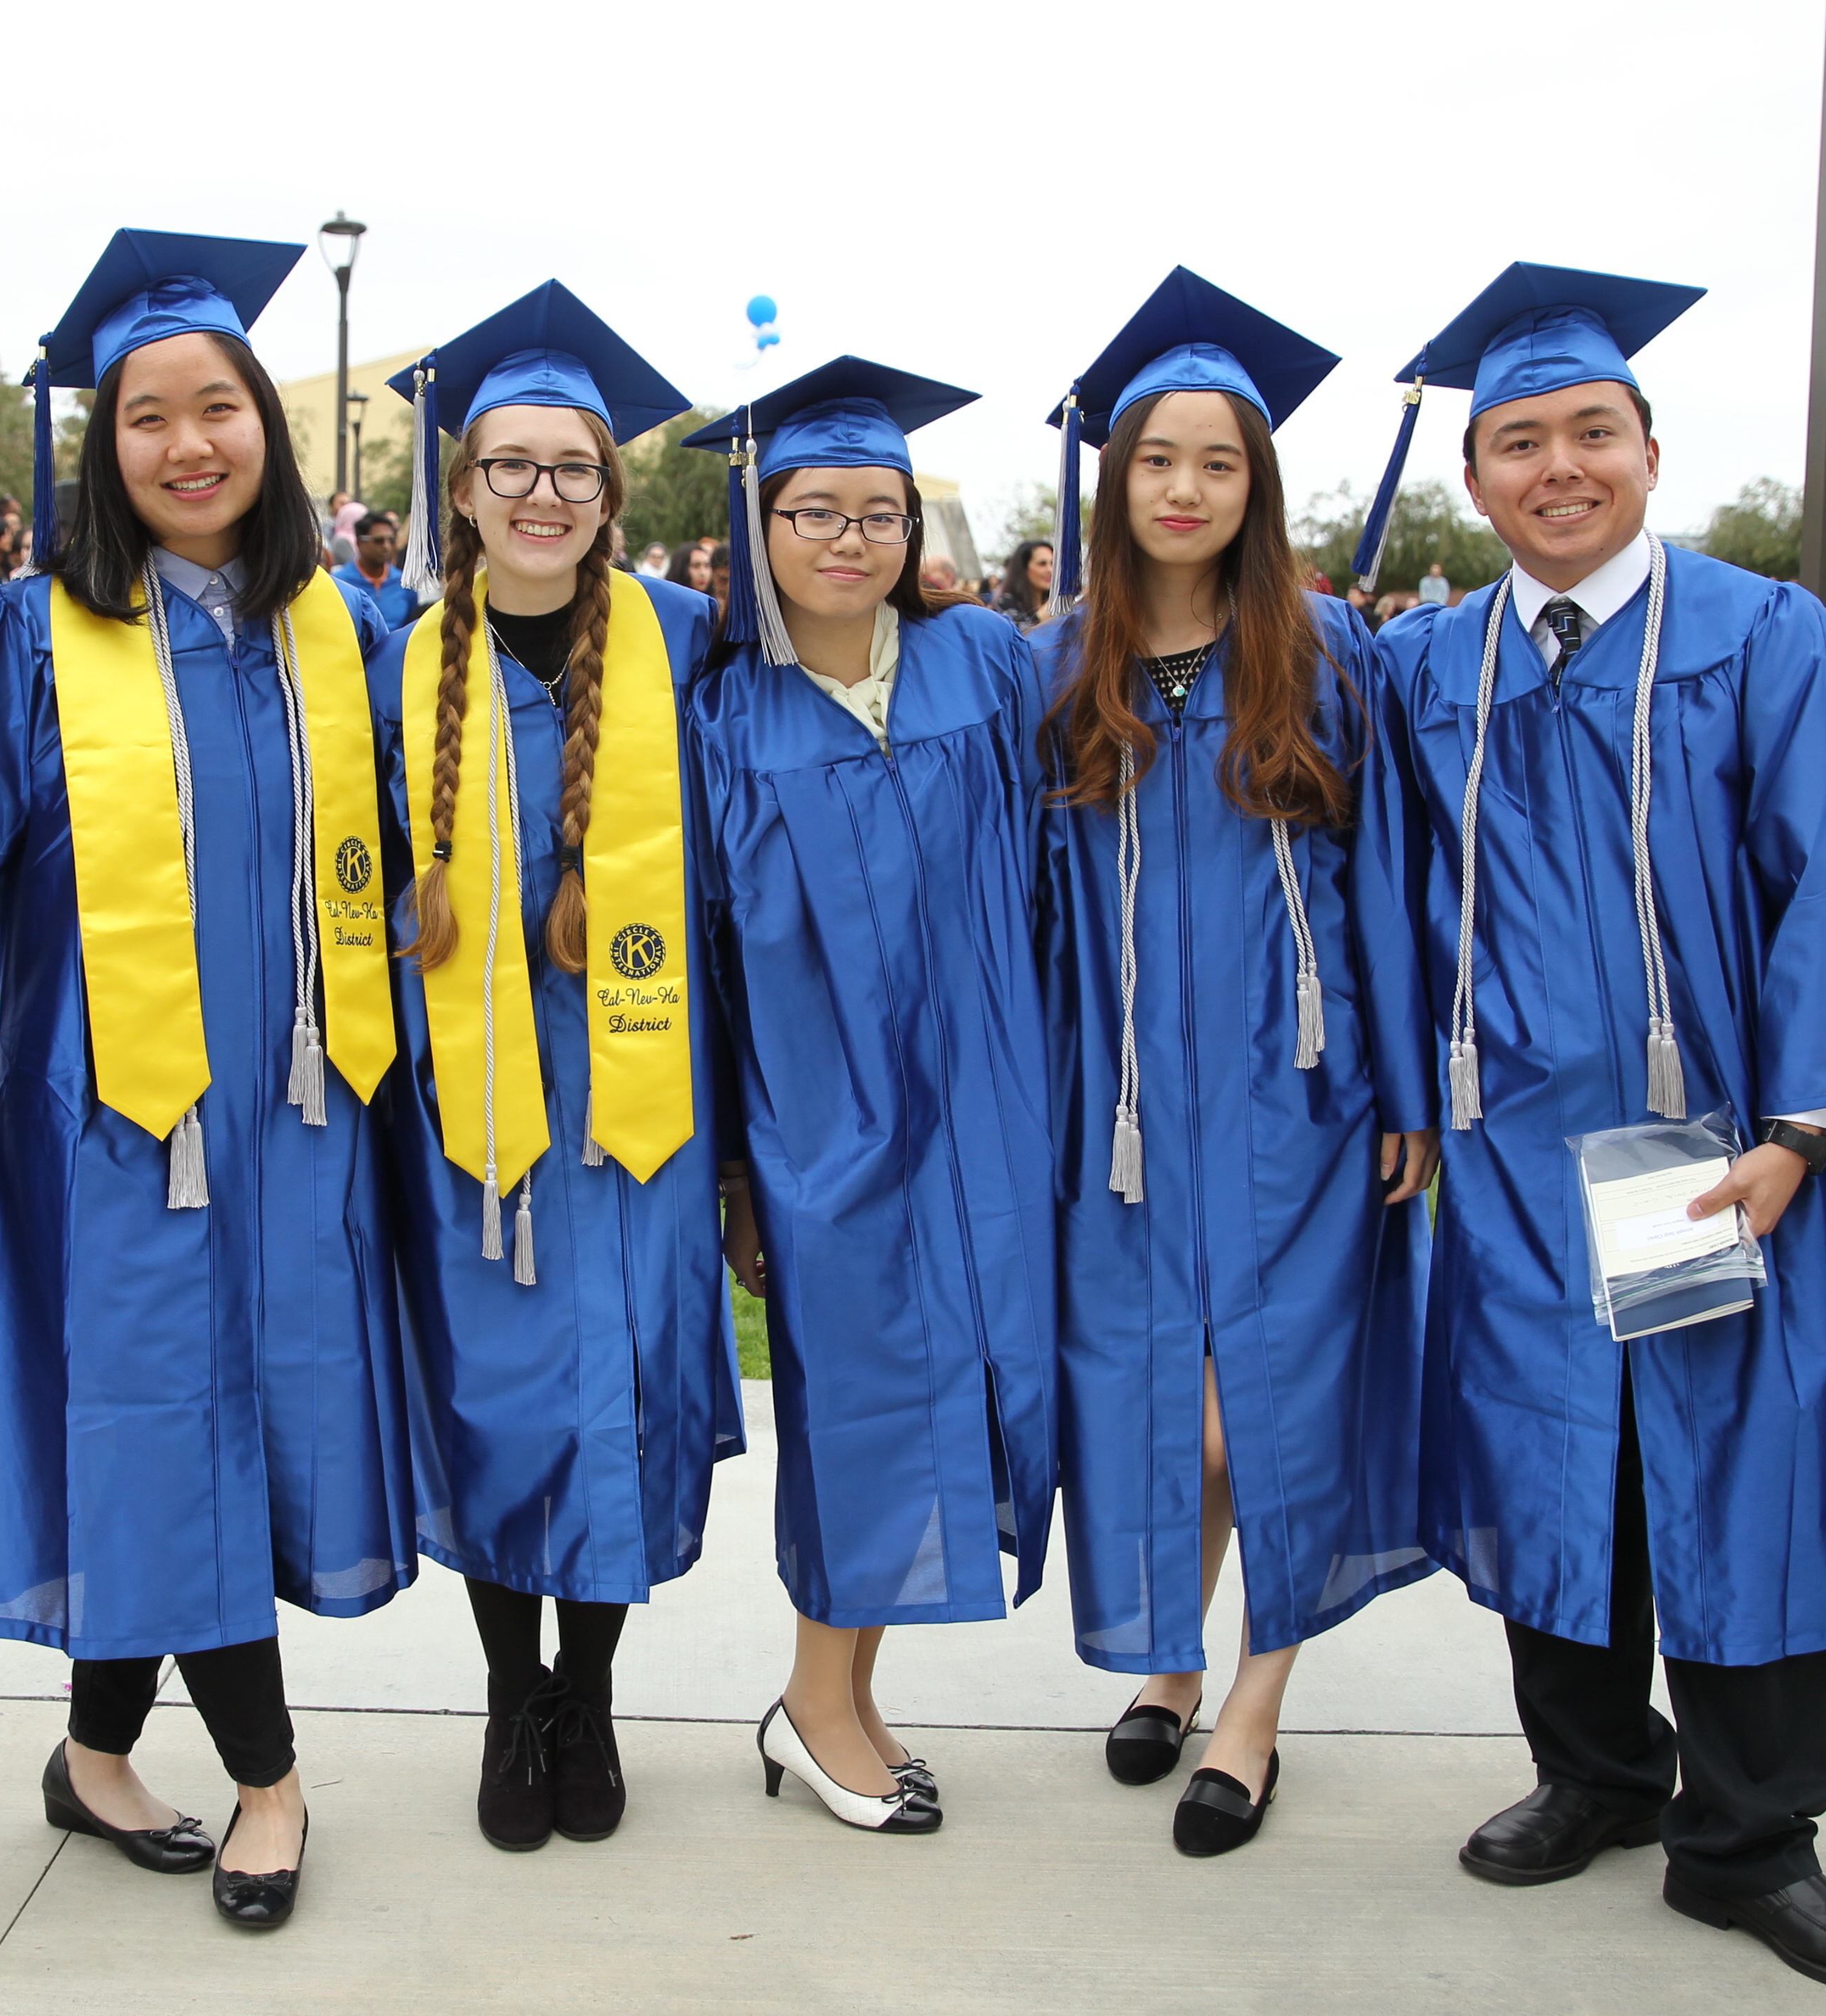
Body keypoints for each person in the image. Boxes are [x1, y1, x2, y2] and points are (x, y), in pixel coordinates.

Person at [1365, 263, 1826, 1998]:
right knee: (1554, 1462)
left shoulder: (1762, 640)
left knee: (1732, 1471)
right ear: (1476, 479)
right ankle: (1597, 1775)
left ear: (1650, 451)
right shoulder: (1428, 664)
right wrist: (1411, 1098)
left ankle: (1751, 1840)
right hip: (1508, 1158)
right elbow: (1390, 893)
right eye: (1519, 441)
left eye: (1590, 434)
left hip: (1712, 1153)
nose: (1558, 468)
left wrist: (1800, 1128)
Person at [0, 229, 407, 1932]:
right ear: (107, 446)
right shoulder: (35, 630)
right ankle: (270, 1779)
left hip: (296, 1108)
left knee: (219, 1424)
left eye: (218, 407)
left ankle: (91, 1753)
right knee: (171, 1418)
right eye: (148, 416)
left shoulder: (338, 625)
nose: (188, 443)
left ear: (265, 434)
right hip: (119, 1112)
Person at [1035, 271, 1437, 1858]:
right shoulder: (1063, 662)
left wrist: (1402, 1082)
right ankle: (1169, 1657)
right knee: (1155, 1395)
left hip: (1297, 1101)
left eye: (1219, 462)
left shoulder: (1330, 654)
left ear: (1255, 485)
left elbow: (1395, 877)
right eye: (1159, 460)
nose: (1188, 488)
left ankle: (1253, 1709)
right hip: (1126, 1106)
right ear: (1118, 479)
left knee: (1257, 1404)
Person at [371, 285, 736, 1852]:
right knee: (497, 1404)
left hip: (639, 1107)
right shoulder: (391, 665)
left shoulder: (688, 644)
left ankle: (587, 1698)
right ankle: (510, 1700)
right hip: (473, 1111)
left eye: (571, 470)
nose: (539, 496)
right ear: (461, 491)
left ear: (611, 492)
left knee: (623, 1399)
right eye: (508, 468)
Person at [680, 354, 1057, 1838]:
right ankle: (814, 1708)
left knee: (959, 1399)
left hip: (983, 1116)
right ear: (760, 530)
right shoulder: (725, 722)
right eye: (816, 512)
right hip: (822, 1135)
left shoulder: (993, 674)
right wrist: (731, 1176)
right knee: (856, 1415)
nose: (849, 540)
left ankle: (842, 1695)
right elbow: (709, 975)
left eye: (880, 514)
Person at [331, 505, 419, 627]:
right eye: (379, 541)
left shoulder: (405, 583)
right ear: (359, 542)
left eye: (391, 540)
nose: (386, 546)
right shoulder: (339, 583)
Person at [993, 537, 1053, 627]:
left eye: (1052, 564)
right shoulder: (1006, 604)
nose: (1050, 570)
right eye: (1042, 564)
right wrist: (1039, 618)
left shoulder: (1059, 603)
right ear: (1024, 569)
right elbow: (1015, 638)